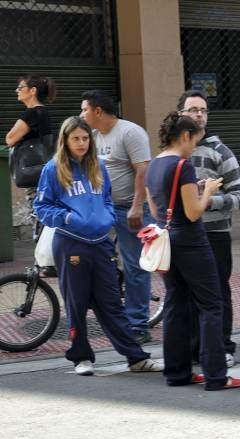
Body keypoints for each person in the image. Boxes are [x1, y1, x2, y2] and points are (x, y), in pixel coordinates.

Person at [33, 117, 162, 377]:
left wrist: (107, 218)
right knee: (76, 303)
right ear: (65, 141)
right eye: (75, 139)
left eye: (84, 138)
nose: (81, 143)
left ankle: (136, 358)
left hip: (100, 243)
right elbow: (41, 207)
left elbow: (105, 198)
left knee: (112, 303)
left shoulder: (98, 167)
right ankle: (81, 358)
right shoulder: (53, 169)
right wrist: (69, 218)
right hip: (70, 243)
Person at [144, 112, 240, 391]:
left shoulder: (154, 165)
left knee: (176, 305)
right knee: (211, 305)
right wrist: (208, 190)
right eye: (194, 141)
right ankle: (216, 375)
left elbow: (155, 210)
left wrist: (193, 192)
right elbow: (192, 211)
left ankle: (177, 373)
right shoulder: (182, 165)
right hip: (190, 241)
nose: (194, 147)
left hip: (166, 240)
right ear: (185, 136)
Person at [178, 89, 240, 367]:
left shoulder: (220, 151)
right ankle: (196, 350)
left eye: (203, 110)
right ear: (181, 114)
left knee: (218, 291)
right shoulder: (175, 152)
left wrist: (207, 202)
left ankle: (223, 347)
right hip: (184, 235)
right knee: (187, 294)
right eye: (193, 110)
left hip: (214, 235)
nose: (198, 115)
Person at [80, 90, 153, 344]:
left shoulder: (130, 132)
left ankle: (138, 324)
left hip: (128, 209)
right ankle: (114, 315)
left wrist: (136, 206)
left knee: (135, 266)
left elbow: (143, 170)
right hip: (103, 210)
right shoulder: (92, 136)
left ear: (97, 110)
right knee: (99, 263)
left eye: (84, 109)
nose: (82, 114)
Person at [5, 74, 55, 148]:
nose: (16, 90)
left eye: (20, 87)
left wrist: (19, 138)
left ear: (33, 90)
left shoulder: (31, 113)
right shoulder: (43, 111)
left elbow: (10, 139)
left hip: (30, 159)